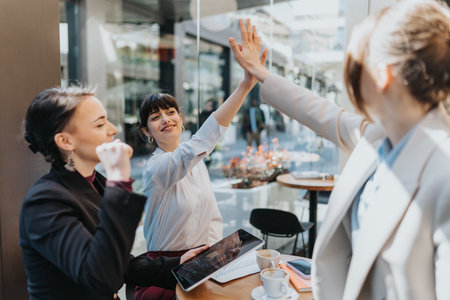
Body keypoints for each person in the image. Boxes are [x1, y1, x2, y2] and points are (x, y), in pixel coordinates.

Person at [229, 2, 450, 299]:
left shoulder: (443, 172)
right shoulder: (377, 138)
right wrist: (261, 74)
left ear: (381, 74)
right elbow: (320, 112)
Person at [20, 86, 207, 300]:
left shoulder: (97, 183)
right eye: (100, 124)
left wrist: (179, 263)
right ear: (65, 141)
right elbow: (101, 278)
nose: (113, 129)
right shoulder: (44, 202)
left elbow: (120, 262)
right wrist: (119, 178)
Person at [137, 38, 267, 300]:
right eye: (155, 117)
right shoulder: (157, 168)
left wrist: (219, 258)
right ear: (146, 131)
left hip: (201, 265)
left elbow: (212, 219)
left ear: (180, 119)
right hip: (164, 272)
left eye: (171, 112)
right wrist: (244, 86)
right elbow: (203, 140)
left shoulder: (196, 165)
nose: (165, 119)